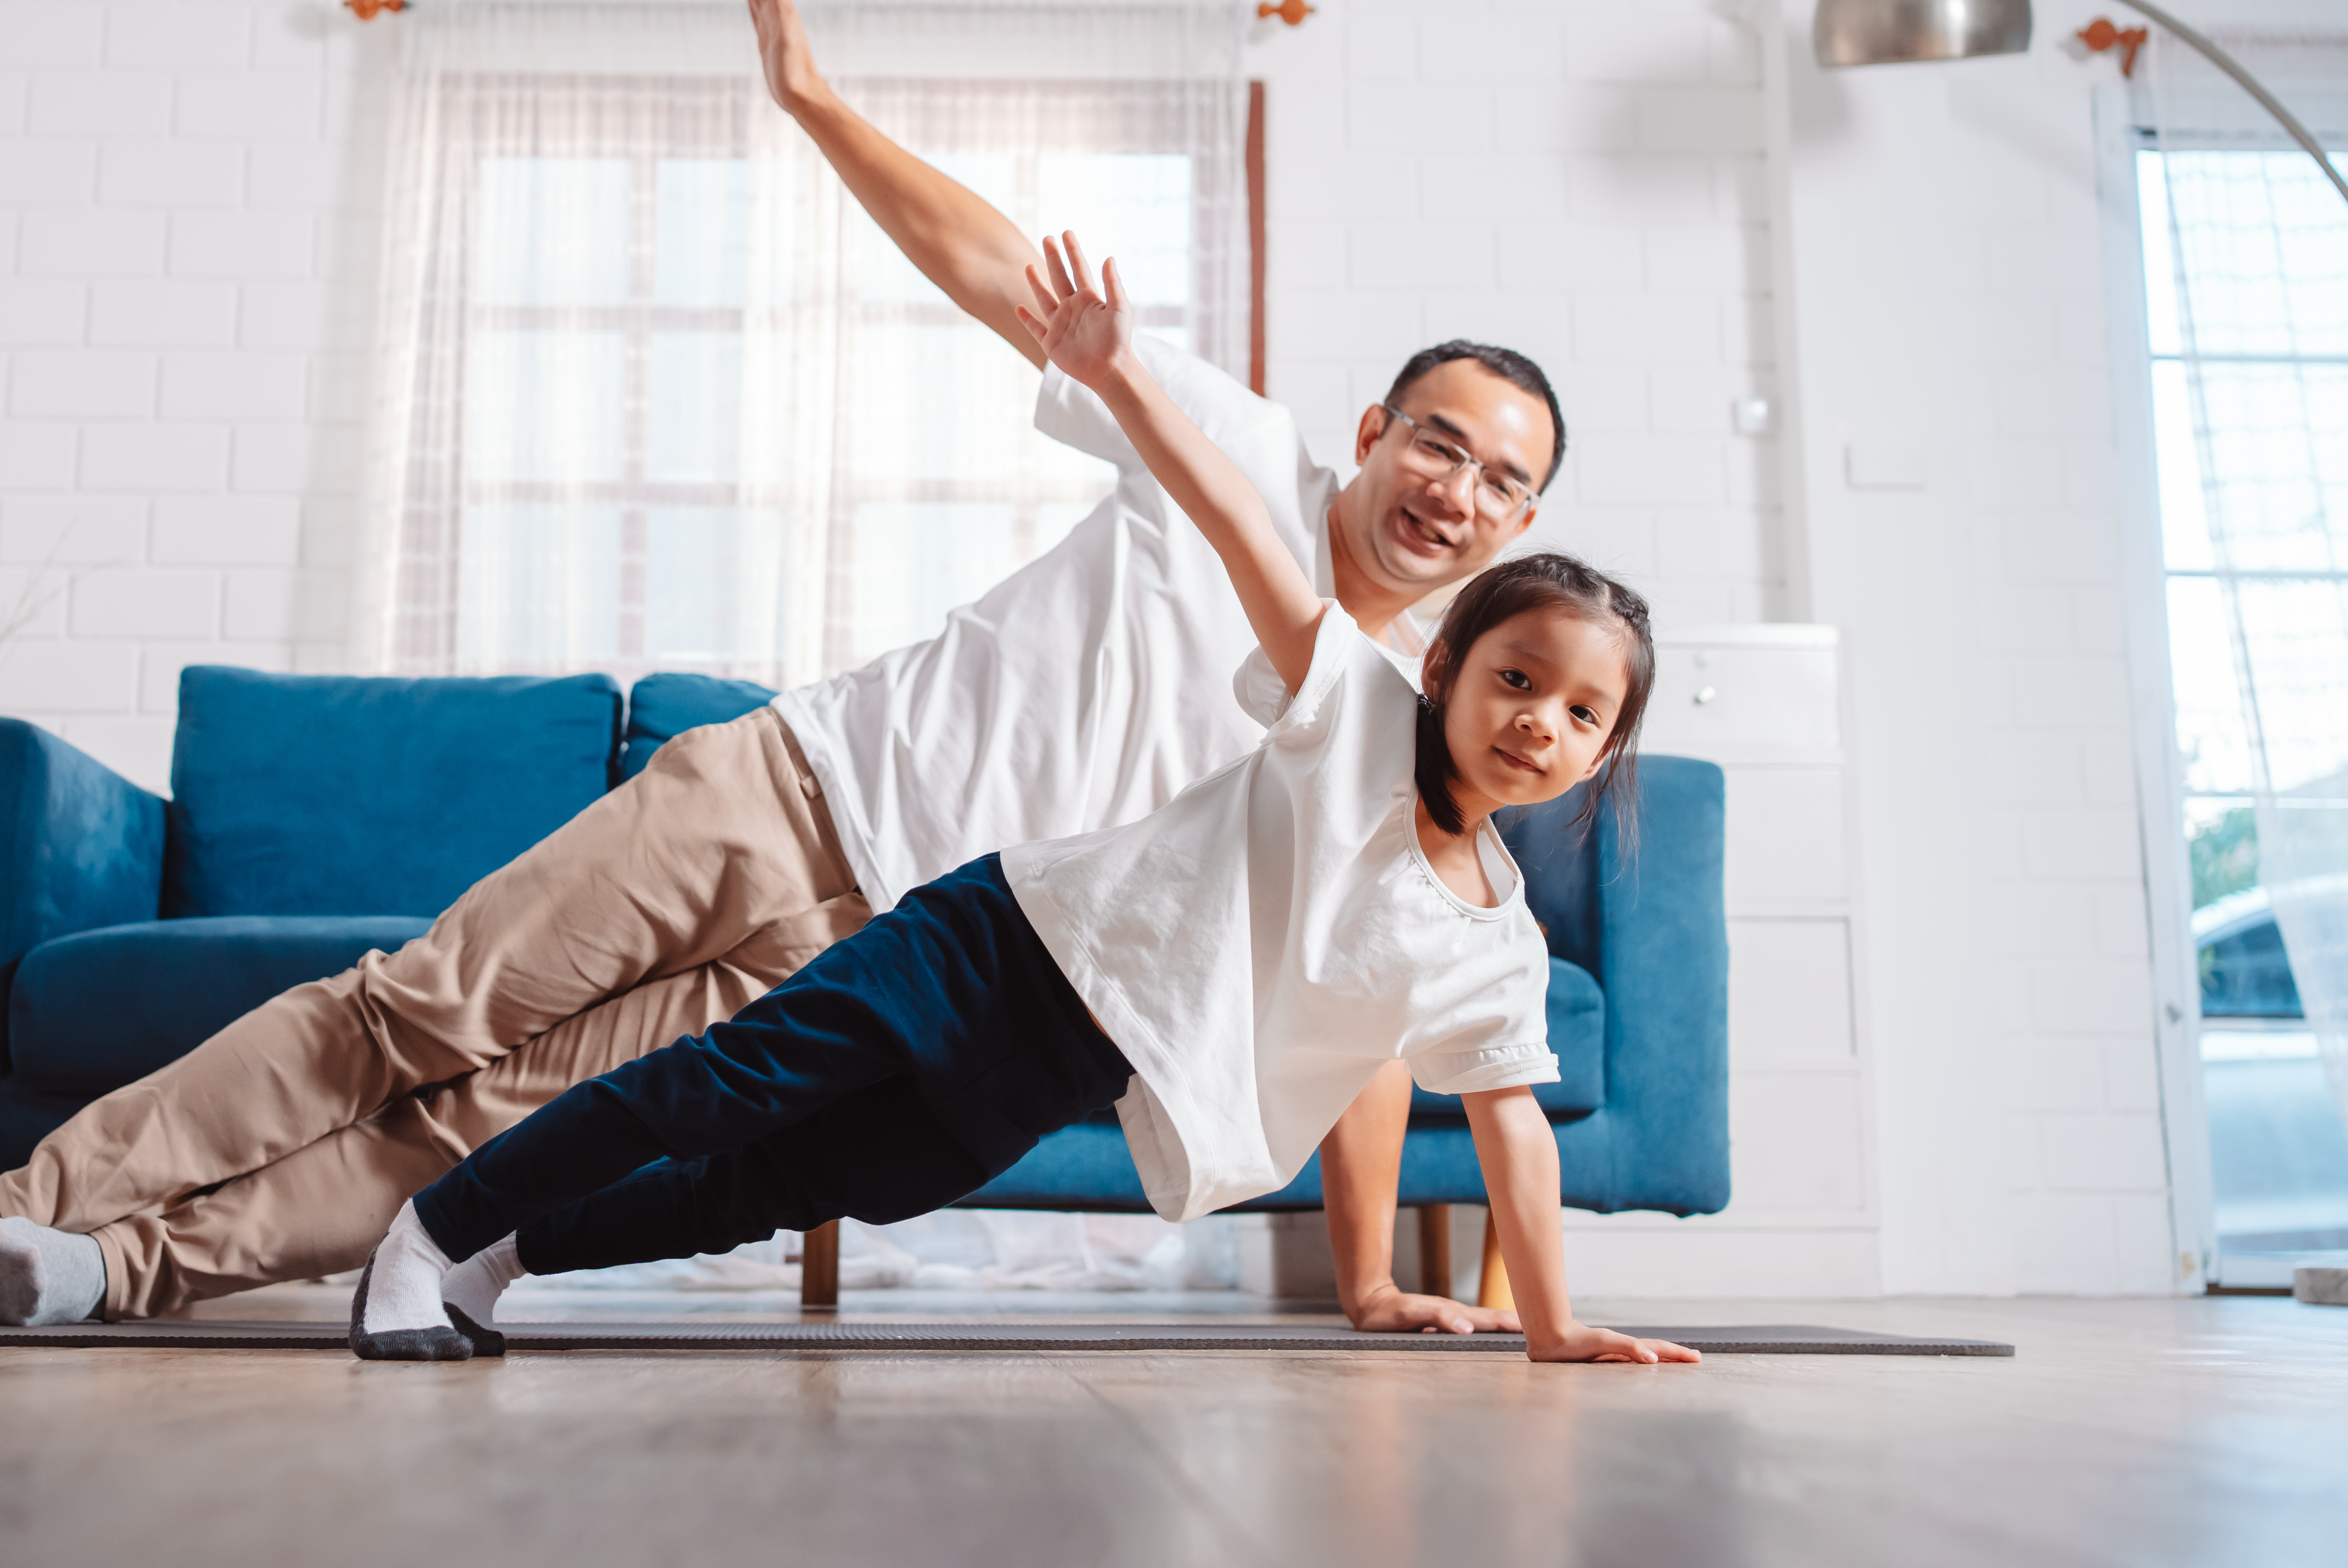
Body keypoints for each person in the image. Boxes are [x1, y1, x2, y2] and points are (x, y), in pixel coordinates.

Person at [0, 0, 1569, 1335]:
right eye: (1440, 439)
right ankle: (17, 1211)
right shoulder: (1236, 446)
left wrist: (1362, 1281)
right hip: (787, 790)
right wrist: (815, 104)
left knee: (489, 1128)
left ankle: (102, 1275)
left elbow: (1360, 1003)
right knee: (411, 1017)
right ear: (1376, 427)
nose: (1455, 488)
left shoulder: (1422, 722)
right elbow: (992, 271)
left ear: (1519, 527)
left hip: (887, 960)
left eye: (1499, 480)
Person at [348, 234, 1697, 1368]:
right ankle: (432, 1229)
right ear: (1446, 667)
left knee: (795, 1184)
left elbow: (1497, 1116)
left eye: (1582, 714)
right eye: (1518, 679)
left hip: (1072, 1062)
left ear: (1605, 755)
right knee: (725, 1088)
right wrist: (1115, 370)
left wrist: (1554, 1328)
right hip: (997, 942)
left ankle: (513, 1247)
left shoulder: (1491, 941)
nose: (1539, 721)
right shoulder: (1351, 705)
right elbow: (1233, 515)